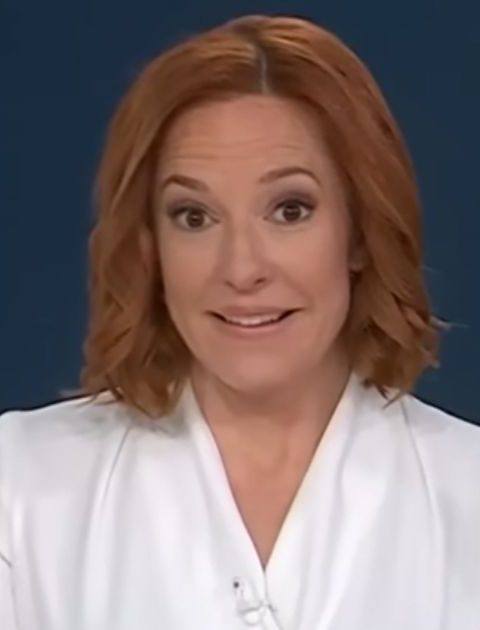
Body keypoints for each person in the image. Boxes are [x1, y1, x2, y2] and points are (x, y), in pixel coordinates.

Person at [1, 13, 479, 630]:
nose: (241, 268)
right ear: (150, 248)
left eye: (289, 210)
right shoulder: (20, 486)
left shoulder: (467, 494)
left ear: (361, 233)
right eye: (194, 217)